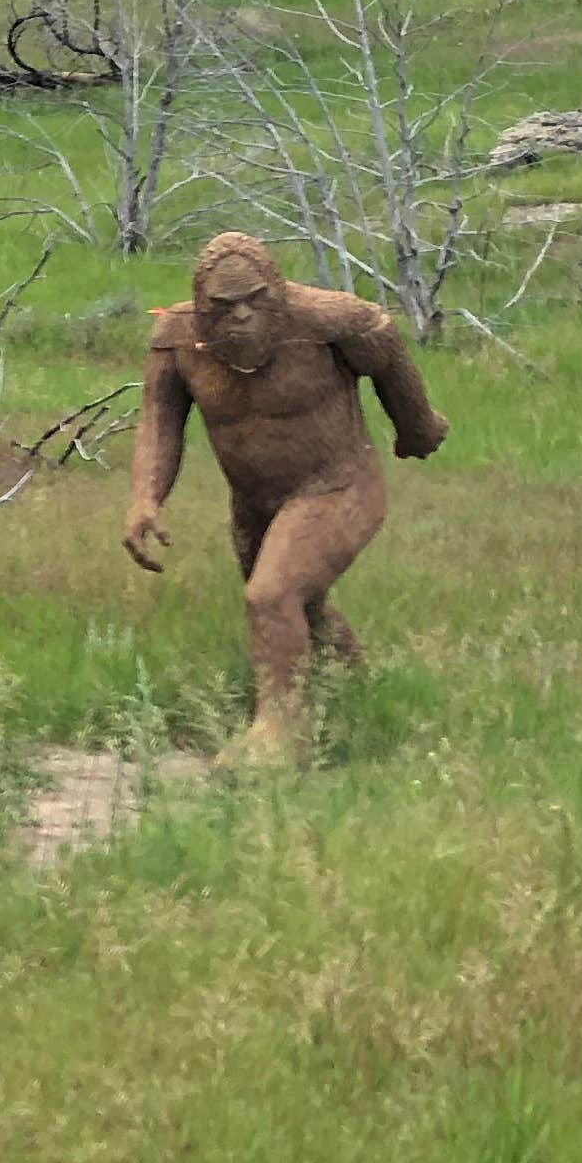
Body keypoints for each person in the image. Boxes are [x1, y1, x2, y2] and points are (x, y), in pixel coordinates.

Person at [124, 230, 450, 766]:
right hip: (254, 504)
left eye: (257, 301)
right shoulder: (176, 342)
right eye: (224, 307)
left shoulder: (331, 321)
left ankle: (281, 734)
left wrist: (416, 426)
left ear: (278, 290)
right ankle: (359, 696)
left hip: (339, 486)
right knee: (299, 609)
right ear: (202, 309)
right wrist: (144, 498)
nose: (243, 318)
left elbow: (386, 347)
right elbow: (159, 422)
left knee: (270, 596)